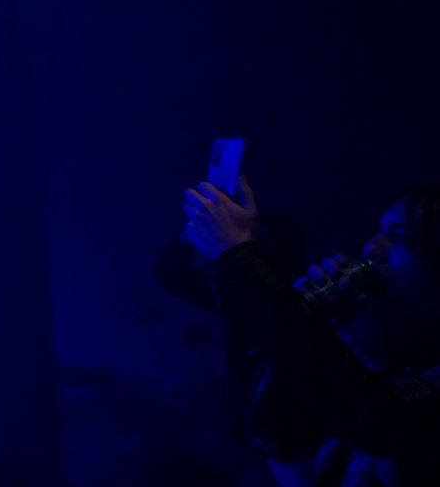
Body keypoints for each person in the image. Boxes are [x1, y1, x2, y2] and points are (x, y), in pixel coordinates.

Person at [183, 177, 440, 484]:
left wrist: (235, 255)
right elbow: (283, 448)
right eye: (380, 231)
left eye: (398, 237)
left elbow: (388, 419)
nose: (372, 247)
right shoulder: (404, 358)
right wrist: (324, 328)